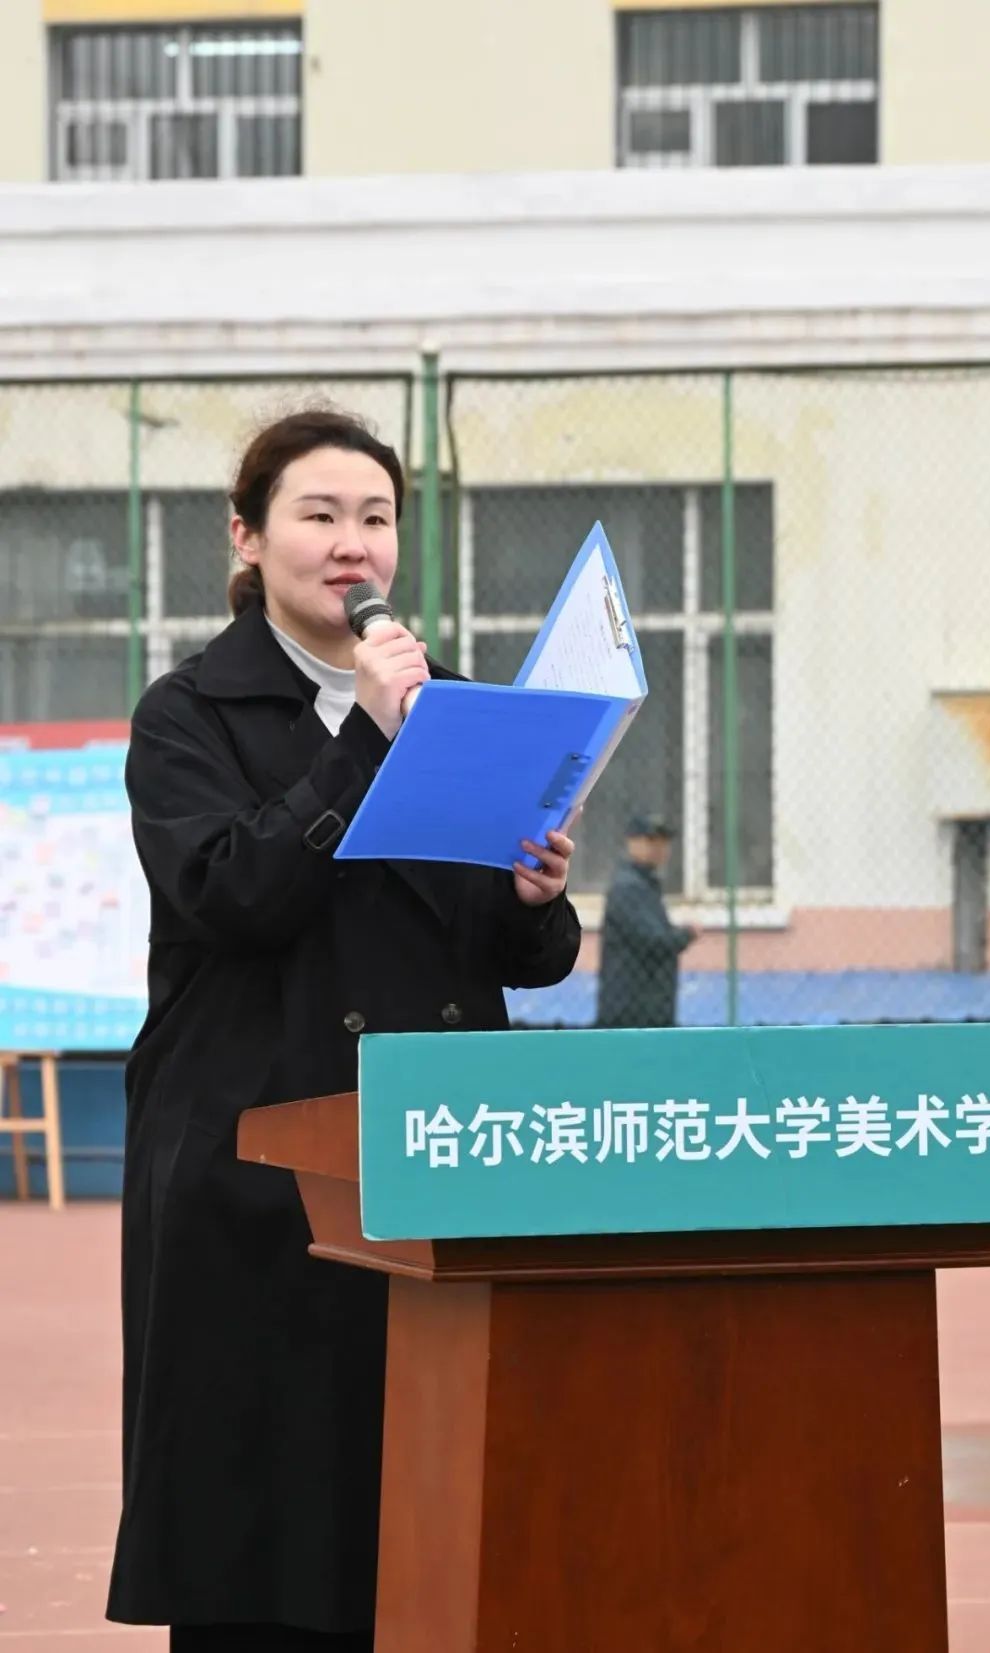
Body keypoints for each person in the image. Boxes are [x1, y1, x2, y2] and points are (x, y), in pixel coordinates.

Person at [105, 408, 581, 1651]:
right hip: (259, 1166)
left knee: (429, 1520)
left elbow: (514, 957)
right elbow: (232, 895)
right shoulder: (188, 715)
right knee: (264, 1539)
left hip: (435, 1157)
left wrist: (536, 896)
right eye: (318, 515)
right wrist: (366, 735)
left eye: (375, 517)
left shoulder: (460, 709)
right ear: (248, 537)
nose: (352, 544)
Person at [595, 812, 699, 1029]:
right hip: (631, 1011)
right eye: (651, 840)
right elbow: (654, 940)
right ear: (632, 842)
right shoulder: (629, 887)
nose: (659, 848)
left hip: (646, 1007)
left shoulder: (644, 884)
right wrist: (686, 934)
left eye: (664, 842)